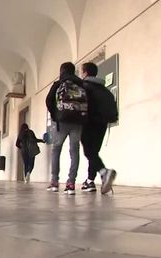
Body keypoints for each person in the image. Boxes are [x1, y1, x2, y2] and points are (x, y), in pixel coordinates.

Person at [45, 62, 86, 195]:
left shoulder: (58, 84)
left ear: (61, 71)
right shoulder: (81, 84)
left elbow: (48, 101)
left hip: (62, 121)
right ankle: (71, 184)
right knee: (74, 151)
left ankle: (54, 182)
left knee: (56, 149)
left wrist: (55, 115)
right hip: (78, 122)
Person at [80, 62, 118, 194]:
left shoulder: (84, 86)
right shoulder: (105, 90)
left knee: (89, 152)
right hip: (103, 124)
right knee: (94, 153)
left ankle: (104, 172)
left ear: (84, 73)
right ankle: (90, 181)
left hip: (89, 122)